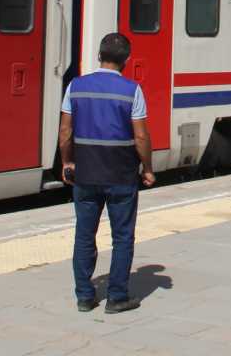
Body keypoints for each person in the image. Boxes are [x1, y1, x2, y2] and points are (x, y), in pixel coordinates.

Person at [59, 33, 155, 314]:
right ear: (125, 60)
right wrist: (147, 170)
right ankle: (116, 297)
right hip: (122, 176)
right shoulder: (132, 90)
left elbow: (66, 130)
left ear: (99, 55)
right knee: (122, 237)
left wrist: (67, 163)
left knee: (84, 236)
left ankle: (85, 296)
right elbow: (141, 137)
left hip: (86, 175)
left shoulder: (75, 86)